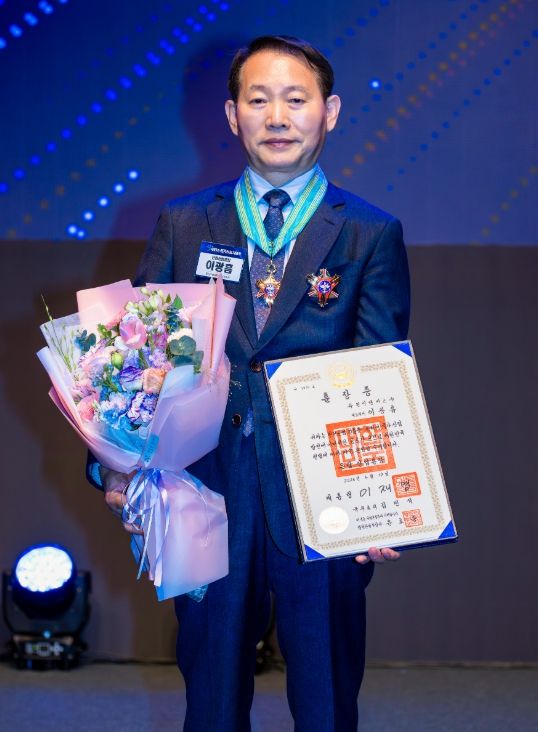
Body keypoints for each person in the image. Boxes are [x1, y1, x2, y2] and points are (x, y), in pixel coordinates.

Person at [94, 35, 410, 731]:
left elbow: (380, 373)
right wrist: (115, 463)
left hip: (323, 502)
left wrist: (383, 507)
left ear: (330, 112)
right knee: (211, 691)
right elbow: (136, 356)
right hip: (205, 491)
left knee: (326, 694)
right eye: (258, 100)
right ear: (232, 115)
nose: (277, 117)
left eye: (295, 100)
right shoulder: (186, 223)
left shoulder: (368, 233)